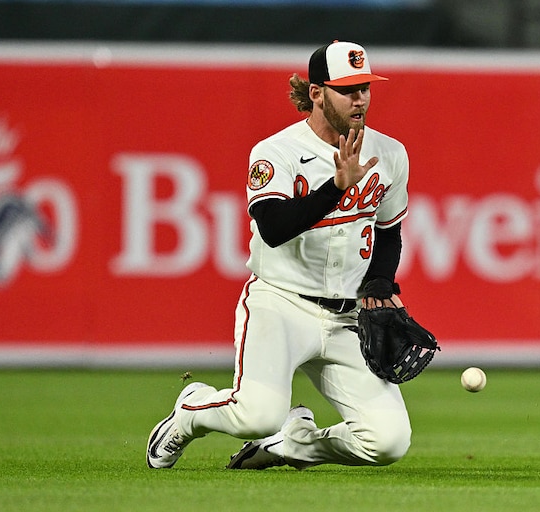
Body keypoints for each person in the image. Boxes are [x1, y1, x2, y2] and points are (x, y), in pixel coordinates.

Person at [146, 40, 413, 471]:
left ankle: (293, 445)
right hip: (281, 303)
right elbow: (272, 229)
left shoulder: (390, 154)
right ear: (317, 93)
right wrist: (336, 188)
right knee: (257, 416)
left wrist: (382, 281)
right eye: (347, 88)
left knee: (388, 442)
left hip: (345, 317)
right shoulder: (276, 152)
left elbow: (388, 231)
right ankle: (191, 411)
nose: (360, 97)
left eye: (364, 86)